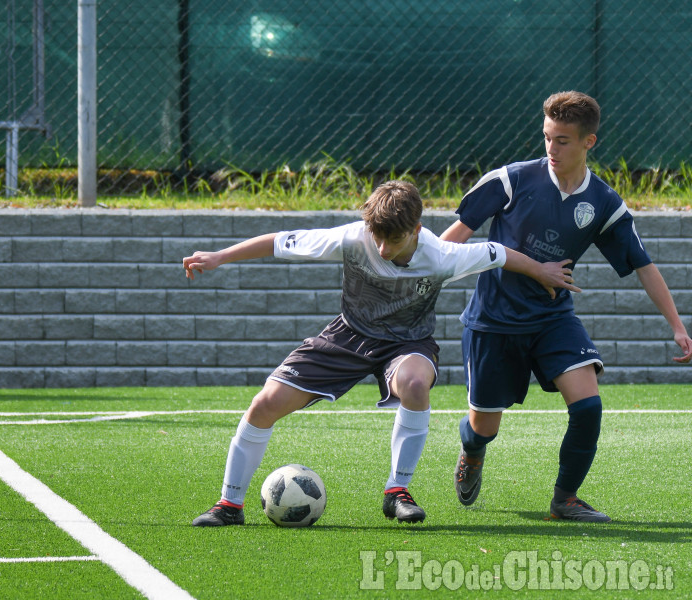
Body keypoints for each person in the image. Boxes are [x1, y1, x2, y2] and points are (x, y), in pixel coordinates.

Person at [184, 180, 579, 527]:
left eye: (395, 239)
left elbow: (498, 252)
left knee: (413, 383)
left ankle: (397, 492)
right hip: (348, 336)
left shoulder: (441, 255)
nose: (384, 248)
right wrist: (219, 256)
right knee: (264, 404)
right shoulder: (354, 238)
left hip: (409, 344)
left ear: (417, 230)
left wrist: (541, 271)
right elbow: (280, 241)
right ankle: (229, 504)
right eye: (378, 237)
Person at [441, 91, 692, 523]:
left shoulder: (604, 202)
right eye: (547, 137)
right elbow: (450, 241)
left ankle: (565, 498)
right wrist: (414, 282)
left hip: (553, 319)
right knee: (484, 428)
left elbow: (643, 266)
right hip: (493, 322)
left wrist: (677, 326)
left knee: (589, 406)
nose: (551, 149)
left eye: (563, 141)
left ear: (588, 142)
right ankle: (472, 451)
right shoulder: (511, 180)